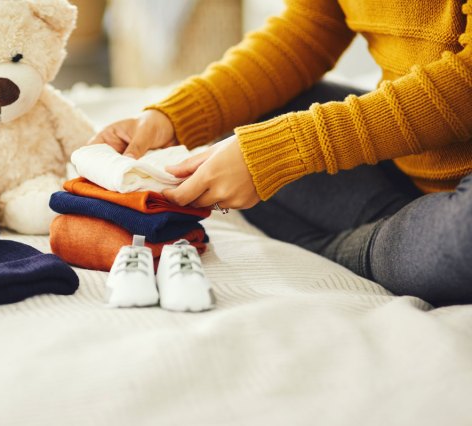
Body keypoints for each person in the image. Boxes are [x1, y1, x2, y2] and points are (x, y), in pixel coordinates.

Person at [89, 0, 472, 307]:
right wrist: (171, 117)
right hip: (409, 164)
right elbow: (306, 29)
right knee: (247, 118)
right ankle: (411, 240)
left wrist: (286, 149)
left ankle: (361, 249)